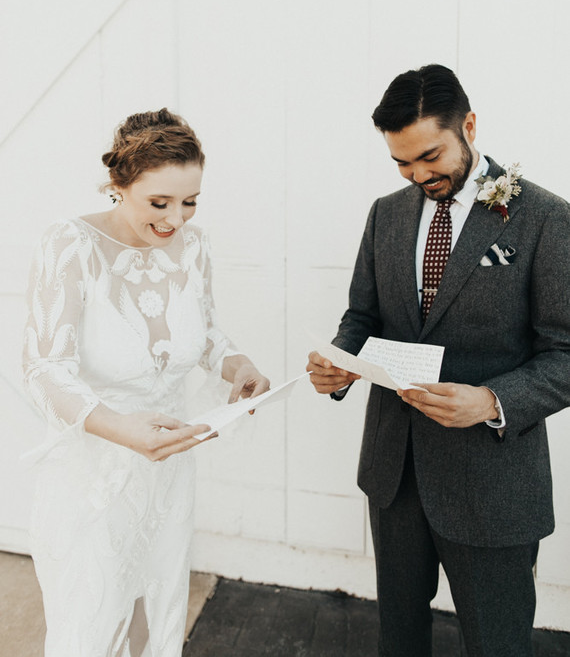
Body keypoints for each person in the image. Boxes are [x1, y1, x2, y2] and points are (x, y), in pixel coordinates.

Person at [307, 64, 570, 657]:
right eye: (402, 162)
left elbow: (565, 352)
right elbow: (362, 317)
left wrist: (493, 401)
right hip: (393, 473)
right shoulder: (386, 213)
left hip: (493, 482)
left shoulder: (546, 217)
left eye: (430, 156)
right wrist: (339, 362)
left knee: (498, 644)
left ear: (469, 126)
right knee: (398, 638)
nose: (418, 175)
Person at [23, 108, 269, 657]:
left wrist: (239, 367)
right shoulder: (70, 245)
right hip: (94, 476)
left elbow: (205, 334)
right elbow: (43, 368)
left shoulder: (194, 246)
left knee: (157, 619)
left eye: (190, 202)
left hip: (168, 473)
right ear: (118, 185)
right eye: (159, 203)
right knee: (90, 625)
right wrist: (122, 430)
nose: (175, 220)